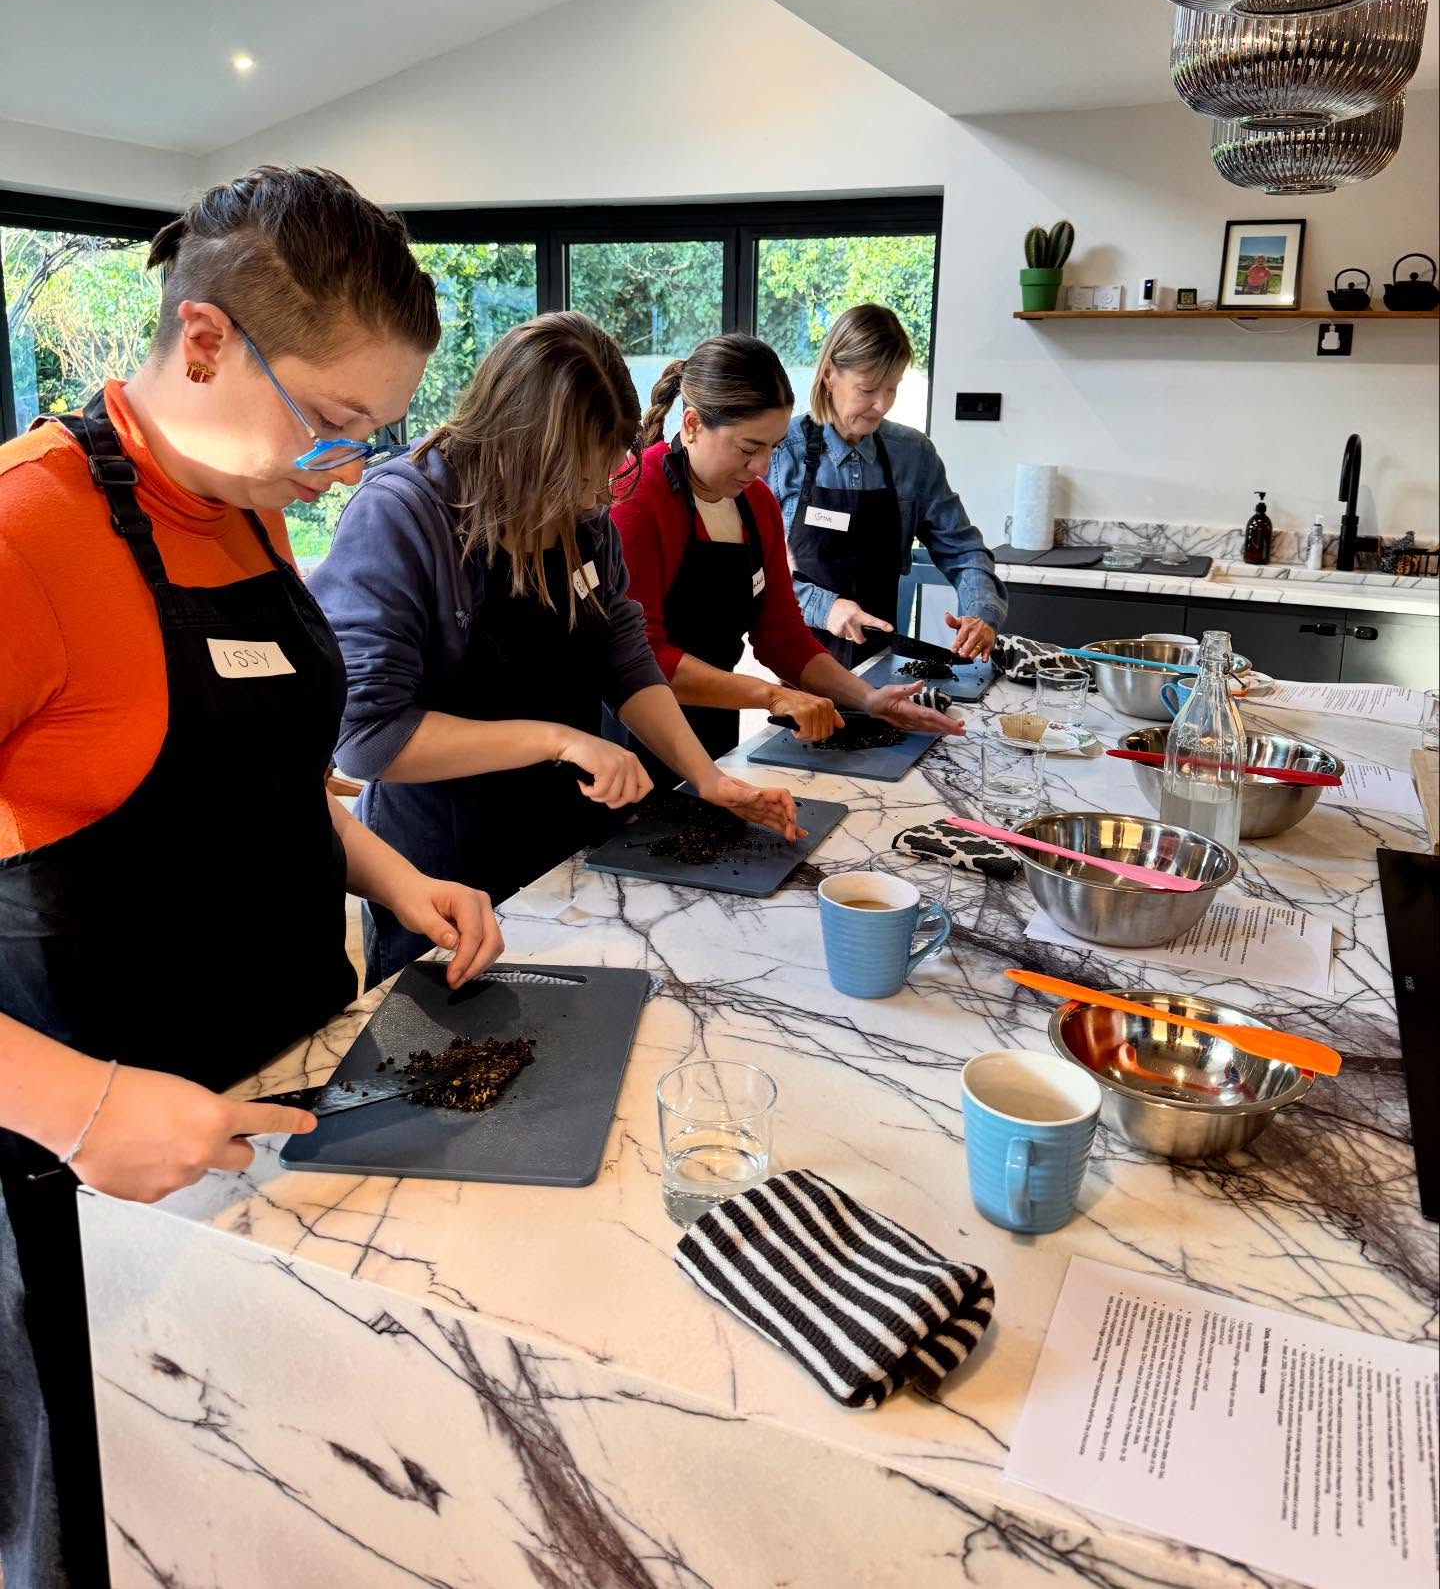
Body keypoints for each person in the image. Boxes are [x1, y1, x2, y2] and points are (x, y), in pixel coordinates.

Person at [0, 167, 505, 1589]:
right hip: (97, 1177)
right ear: (208, 343)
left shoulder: (248, 500)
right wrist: (85, 1108)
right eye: (336, 421)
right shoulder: (23, 534)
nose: (347, 461)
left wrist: (389, 869)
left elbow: (258, 780)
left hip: (285, 1099)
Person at [312, 312, 798, 987]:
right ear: (517, 447)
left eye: (606, 473)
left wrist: (705, 776)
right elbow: (366, 738)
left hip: (561, 845)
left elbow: (626, 654)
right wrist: (557, 740)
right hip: (444, 864)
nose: (598, 498)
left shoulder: (582, 519)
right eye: (579, 478)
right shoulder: (402, 515)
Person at [611, 333, 956, 765]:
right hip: (632, 743)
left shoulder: (756, 504)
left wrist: (868, 698)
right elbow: (644, 657)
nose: (762, 468)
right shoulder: (639, 498)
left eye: (772, 448)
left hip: (714, 727)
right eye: (748, 449)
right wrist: (771, 697)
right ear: (694, 424)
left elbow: (782, 635)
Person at [768, 302, 1007, 666]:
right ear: (830, 374)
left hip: (878, 666)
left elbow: (962, 549)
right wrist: (825, 607)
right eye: (868, 390)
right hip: (797, 668)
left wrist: (980, 613)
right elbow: (752, 574)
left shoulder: (912, 455)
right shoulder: (780, 452)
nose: (881, 406)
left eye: (892, 389)